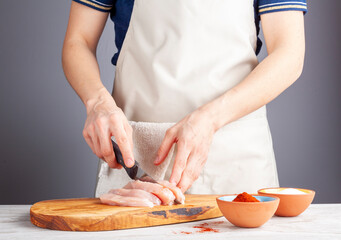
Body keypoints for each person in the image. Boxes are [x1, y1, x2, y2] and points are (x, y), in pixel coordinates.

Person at [62, 0, 307, 195]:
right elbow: (78, 41)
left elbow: (290, 53)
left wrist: (210, 119)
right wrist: (97, 102)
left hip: (233, 155)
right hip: (137, 163)